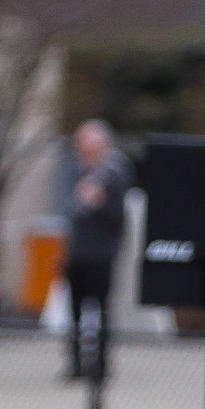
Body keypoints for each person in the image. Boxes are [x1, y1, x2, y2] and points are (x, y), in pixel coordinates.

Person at [62, 119, 129, 380]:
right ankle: (75, 363)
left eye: (87, 142)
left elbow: (118, 218)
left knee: (100, 309)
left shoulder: (115, 173)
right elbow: (66, 211)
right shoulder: (74, 172)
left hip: (102, 254)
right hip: (76, 253)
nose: (81, 147)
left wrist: (99, 202)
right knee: (74, 311)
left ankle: (101, 364)